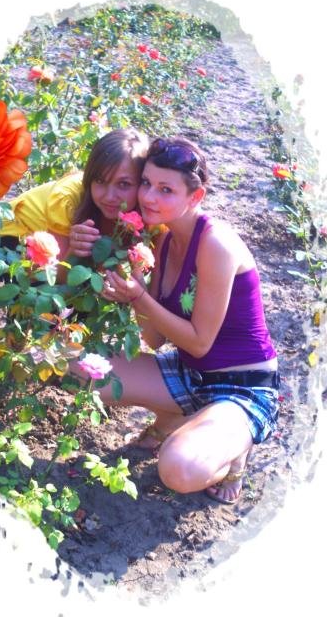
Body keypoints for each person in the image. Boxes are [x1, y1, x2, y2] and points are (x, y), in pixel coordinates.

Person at [95, 136, 280, 505]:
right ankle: (178, 415)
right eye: (146, 183)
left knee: (177, 469)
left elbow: (199, 342)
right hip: (188, 373)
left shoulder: (216, 244)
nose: (149, 197)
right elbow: (154, 339)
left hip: (242, 387)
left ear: (195, 197)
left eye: (166, 190)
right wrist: (136, 288)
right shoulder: (163, 242)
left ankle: (235, 451)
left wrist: (140, 297)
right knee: (80, 370)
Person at [0, 128, 150, 270]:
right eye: (100, 181)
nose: (110, 197)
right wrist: (74, 250)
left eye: (124, 184)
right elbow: (57, 274)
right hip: (16, 233)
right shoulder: (66, 199)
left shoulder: (152, 207)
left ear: (144, 183)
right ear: (90, 177)